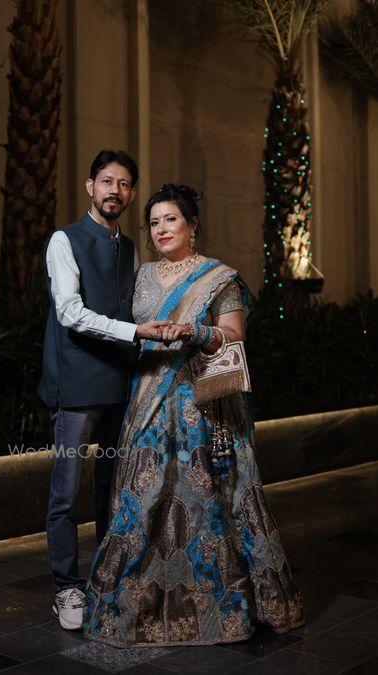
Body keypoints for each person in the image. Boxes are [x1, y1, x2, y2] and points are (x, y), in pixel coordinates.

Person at [84, 183, 305, 647]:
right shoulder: (141, 276)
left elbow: (234, 337)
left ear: (192, 225)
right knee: (140, 495)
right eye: (154, 222)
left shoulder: (219, 278)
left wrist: (194, 332)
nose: (161, 229)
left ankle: (220, 607)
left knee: (204, 497)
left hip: (199, 403)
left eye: (171, 219)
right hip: (146, 397)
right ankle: (132, 609)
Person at [37, 150, 168, 632]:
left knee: (111, 490)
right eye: (107, 181)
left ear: (131, 194)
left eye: (125, 184)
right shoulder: (64, 240)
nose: (116, 190)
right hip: (75, 385)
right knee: (66, 494)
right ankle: (65, 587)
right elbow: (69, 312)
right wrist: (134, 333)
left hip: (119, 384)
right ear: (91, 186)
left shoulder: (129, 248)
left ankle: (106, 577)